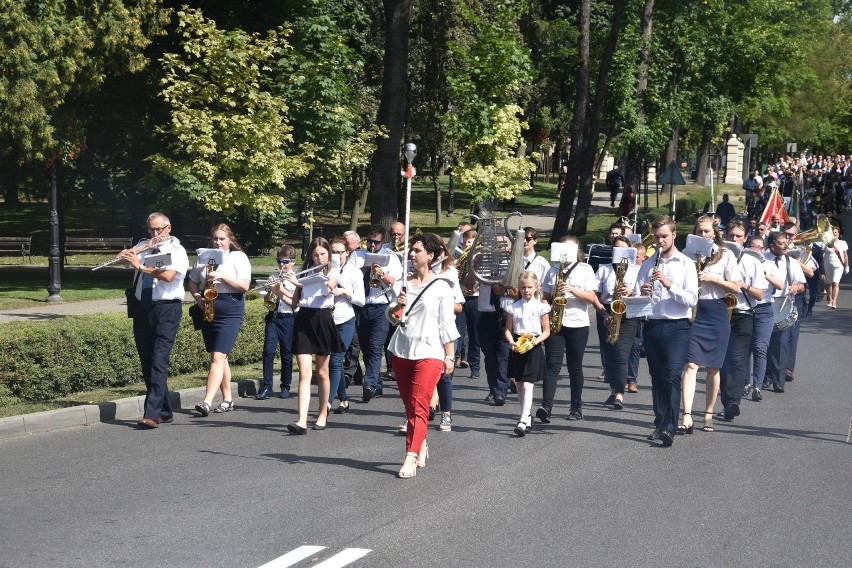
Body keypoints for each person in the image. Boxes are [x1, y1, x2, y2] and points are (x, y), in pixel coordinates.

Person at [385, 233, 460, 479]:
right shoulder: (402, 284)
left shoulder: (441, 286)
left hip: (430, 351)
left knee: (419, 404)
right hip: (403, 348)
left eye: (417, 250)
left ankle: (410, 455)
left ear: (430, 256)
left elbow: (447, 324)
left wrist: (450, 356)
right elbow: (392, 317)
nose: (413, 254)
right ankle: (421, 442)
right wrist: (397, 306)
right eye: (412, 250)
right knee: (410, 405)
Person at [119, 212, 188, 429]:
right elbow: (123, 262)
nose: (155, 234)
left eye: (159, 229)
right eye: (151, 230)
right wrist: (129, 254)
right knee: (147, 361)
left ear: (169, 228)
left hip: (167, 309)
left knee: (159, 360)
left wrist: (140, 266)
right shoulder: (144, 245)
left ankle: (152, 414)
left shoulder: (176, 250)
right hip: (142, 308)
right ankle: (165, 410)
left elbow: (168, 276)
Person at [635, 215, 698, 447]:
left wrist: (669, 286)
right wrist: (642, 291)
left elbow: (691, 299)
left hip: (677, 326)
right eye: (657, 236)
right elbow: (636, 298)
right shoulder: (648, 263)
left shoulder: (685, 264)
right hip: (653, 325)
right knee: (657, 377)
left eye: (664, 236)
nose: (660, 241)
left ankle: (670, 427)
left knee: (672, 375)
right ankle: (660, 422)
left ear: (674, 235)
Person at [679, 216, 742, 434]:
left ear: (714, 233)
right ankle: (686, 414)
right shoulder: (686, 254)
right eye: (699, 231)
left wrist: (713, 279)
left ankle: (708, 412)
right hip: (693, 311)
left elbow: (736, 287)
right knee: (691, 364)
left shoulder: (725, 256)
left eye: (706, 231)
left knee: (713, 367)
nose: (703, 235)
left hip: (716, 311)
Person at [189, 224, 252, 417]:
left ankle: (207, 402)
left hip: (230, 307)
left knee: (218, 356)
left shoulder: (238, 257)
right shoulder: (203, 256)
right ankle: (227, 399)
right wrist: (197, 297)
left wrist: (222, 276)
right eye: (215, 238)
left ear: (230, 240)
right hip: (209, 307)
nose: (218, 242)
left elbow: (244, 285)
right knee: (219, 357)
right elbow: (192, 281)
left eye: (222, 239)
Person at [539, 236, 601, 421]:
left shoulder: (585, 269)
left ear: (576, 251)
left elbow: (591, 297)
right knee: (552, 367)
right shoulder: (553, 270)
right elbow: (546, 296)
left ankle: (576, 407)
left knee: (575, 367)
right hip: (556, 323)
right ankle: (546, 407)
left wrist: (572, 289)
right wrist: (544, 310)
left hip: (577, 324)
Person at [286, 238, 343, 434]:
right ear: (311, 255)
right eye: (316, 255)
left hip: (322, 320)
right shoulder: (305, 273)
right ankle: (301, 420)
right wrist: (279, 290)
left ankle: (322, 413)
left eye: (323, 254)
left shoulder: (333, 271)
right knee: (304, 372)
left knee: (322, 373)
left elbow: (327, 289)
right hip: (303, 319)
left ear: (328, 254)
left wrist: (300, 284)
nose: (319, 258)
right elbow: (294, 303)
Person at [719, 220, 765, 421]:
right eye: (731, 235)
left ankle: (732, 402)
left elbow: (760, 295)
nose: (734, 239)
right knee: (720, 360)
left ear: (745, 238)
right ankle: (725, 399)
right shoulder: (718, 258)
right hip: (720, 312)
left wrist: (743, 285)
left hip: (743, 314)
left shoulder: (753, 261)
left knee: (737, 360)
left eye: (739, 236)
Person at [356, 226, 403, 402]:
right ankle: (377, 384)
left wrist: (382, 273)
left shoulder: (391, 257)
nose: (372, 245)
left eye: (376, 242)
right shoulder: (358, 256)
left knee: (375, 348)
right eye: (369, 241)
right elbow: (349, 279)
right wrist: (366, 268)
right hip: (362, 307)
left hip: (381, 307)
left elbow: (397, 284)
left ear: (383, 242)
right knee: (366, 349)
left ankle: (368, 385)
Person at [596, 236, 639, 411]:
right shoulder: (604, 269)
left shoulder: (636, 269)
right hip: (606, 311)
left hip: (628, 312)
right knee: (609, 354)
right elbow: (595, 295)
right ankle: (614, 390)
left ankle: (620, 393)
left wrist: (630, 290)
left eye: (624, 249)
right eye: (617, 249)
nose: (620, 252)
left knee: (621, 353)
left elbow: (644, 291)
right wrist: (603, 312)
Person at [504, 271, 550, 436]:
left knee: (529, 384)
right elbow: (508, 330)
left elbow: (546, 331)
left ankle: (523, 419)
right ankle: (527, 415)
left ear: (536, 287)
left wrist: (533, 342)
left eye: (530, 287)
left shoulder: (541, 307)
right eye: (523, 287)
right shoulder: (513, 307)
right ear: (518, 288)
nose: (526, 290)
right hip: (518, 344)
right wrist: (511, 342)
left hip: (534, 345)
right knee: (518, 383)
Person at [763, 231, 805, 393]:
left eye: (786, 242)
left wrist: (795, 287)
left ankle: (778, 380)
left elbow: (802, 285)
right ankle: (764, 376)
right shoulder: (762, 260)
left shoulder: (791, 262)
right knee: (764, 343)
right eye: (781, 243)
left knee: (781, 345)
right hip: (765, 304)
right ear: (772, 245)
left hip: (784, 305)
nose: (786, 245)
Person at [328, 237, 365, 414]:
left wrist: (345, 292)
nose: (336, 255)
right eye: (332, 252)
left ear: (347, 252)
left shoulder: (354, 272)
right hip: (327, 320)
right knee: (331, 362)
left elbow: (361, 300)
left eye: (339, 252)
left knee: (336, 360)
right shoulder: (325, 270)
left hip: (345, 320)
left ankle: (327, 402)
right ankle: (343, 399)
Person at [257, 246, 298, 400]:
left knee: (286, 353)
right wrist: (269, 289)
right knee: (268, 351)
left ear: (292, 262)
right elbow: (266, 300)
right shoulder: (274, 276)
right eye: (279, 261)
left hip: (288, 318)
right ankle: (267, 387)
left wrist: (280, 290)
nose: (282, 265)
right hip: (273, 317)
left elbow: (295, 302)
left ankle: (285, 386)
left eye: (285, 262)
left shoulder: (296, 279)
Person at [823, 225, 848, 308]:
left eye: (836, 232)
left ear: (838, 233)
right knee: (828, 283)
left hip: (839, 266)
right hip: (828, 265)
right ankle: (829, 299)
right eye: (833, 232)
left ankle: (834, 301)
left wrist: (846, 266)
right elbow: (822, 254)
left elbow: (845, 256)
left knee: (835, 283)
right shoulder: (826, 243)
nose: (834, 234)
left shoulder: (843, 243)